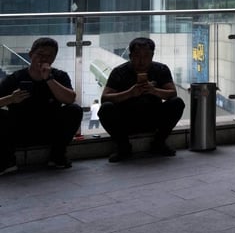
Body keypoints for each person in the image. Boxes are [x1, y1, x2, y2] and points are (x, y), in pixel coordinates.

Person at [0, 37, 84, 173]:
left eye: (49, 56)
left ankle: (57, 156)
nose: (44, 58)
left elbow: (70, 99)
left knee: (74, 110)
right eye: (40, 54)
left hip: (49, 129)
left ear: (54, 58)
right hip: (20, 130)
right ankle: (7, 161)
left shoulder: (59, 76)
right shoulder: (15, 78)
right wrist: (11, 99)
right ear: (31, 54)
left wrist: (48, 79)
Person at [99, 36, 185, 162]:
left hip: (153, 117)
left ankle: (159, 143)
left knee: (177, 103)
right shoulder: (119, 72)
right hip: (126, 119)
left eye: (146, 56)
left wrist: (153, 91)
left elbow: (172, 93)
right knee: (106, 108)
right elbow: (105, 98)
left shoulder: (161, 69)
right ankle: (123, 147)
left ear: (152, 56)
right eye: (137, 56)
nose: (142, 60)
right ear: (130, 56)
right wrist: (130, 93)